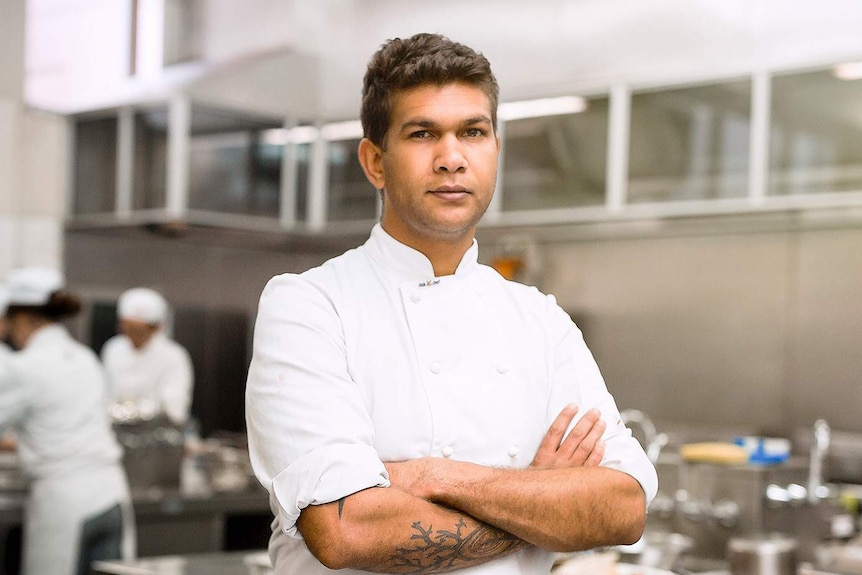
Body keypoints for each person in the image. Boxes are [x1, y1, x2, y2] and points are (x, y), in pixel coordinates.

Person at [245, 33, 658, 575]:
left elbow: (623, 510)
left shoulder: (539, 319)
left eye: (473, 132)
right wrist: (539, 501)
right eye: (422, 134)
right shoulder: (310, 306)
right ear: (374, 162)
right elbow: (346, 529)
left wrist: (434, 477)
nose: (452, 159)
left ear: (495, 149)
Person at [0, 266, 135, 575]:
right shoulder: (85, 357)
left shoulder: (25, 367)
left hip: (65, 502)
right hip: (112, 495)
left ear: (20, 318)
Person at [101, 287, 194, 425]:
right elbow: (105, 393)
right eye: (128, 327)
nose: (133, 335)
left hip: (157, 434)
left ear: (157, 327)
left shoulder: (173, 356)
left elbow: (175, 406)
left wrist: (138, 412)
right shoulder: (113, 349)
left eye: (139, 329)